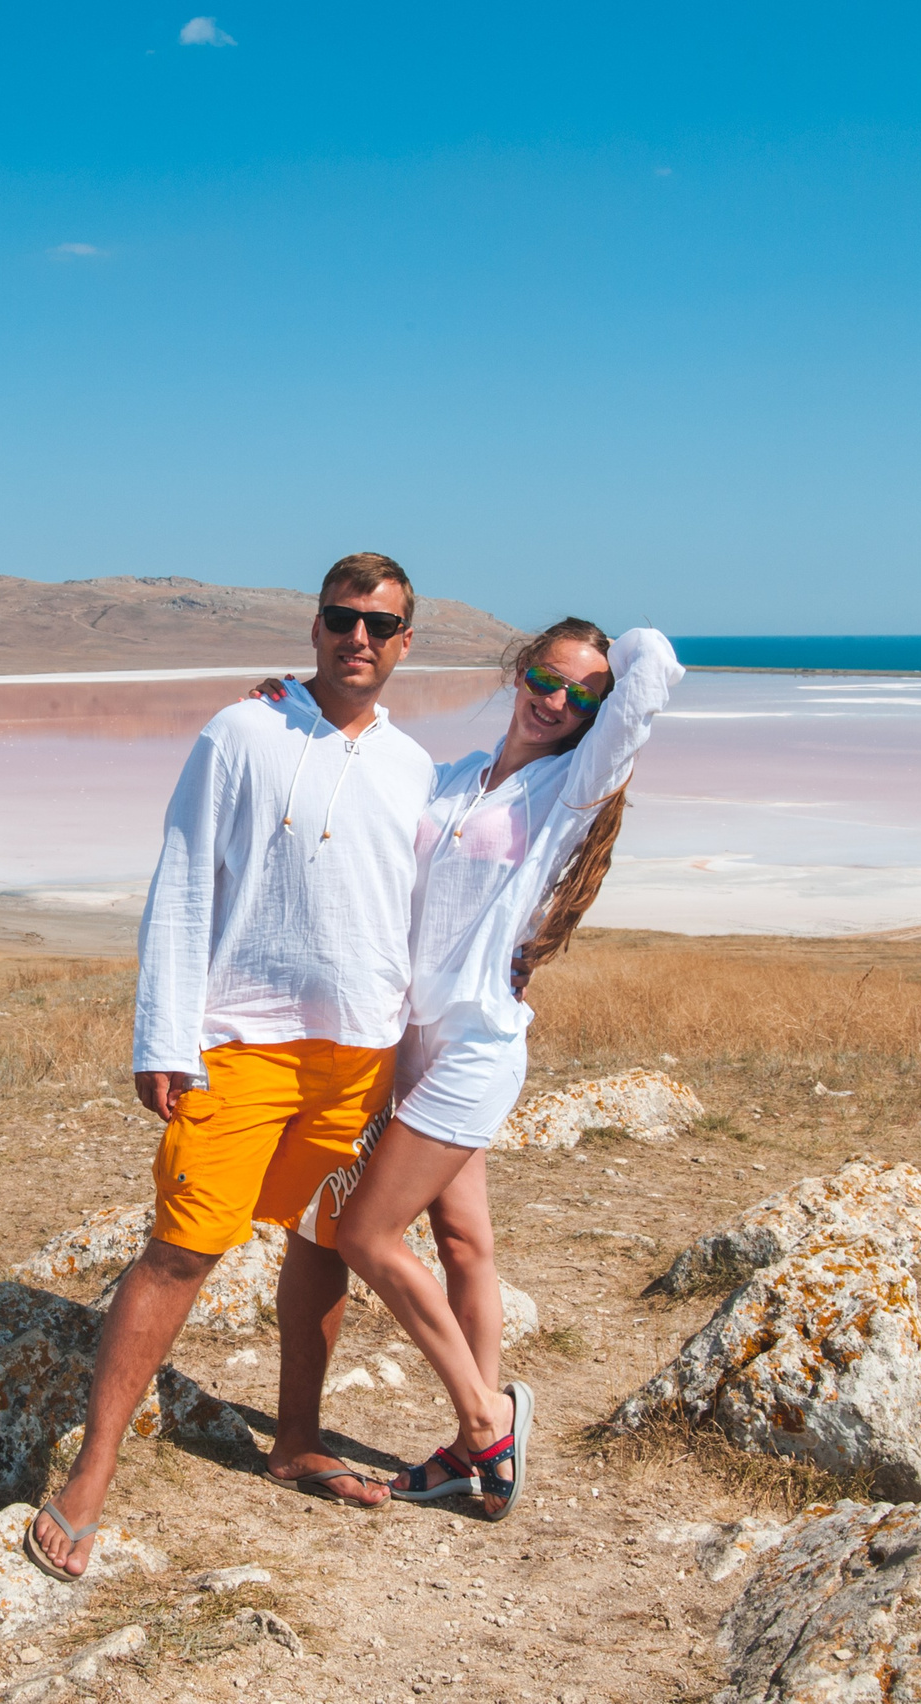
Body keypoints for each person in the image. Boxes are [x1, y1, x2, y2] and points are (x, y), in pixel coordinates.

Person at [24, 553, 439, 1580]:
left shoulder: (415, 767)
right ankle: (91, 1473)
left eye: (380, 626)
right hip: (241, 1039)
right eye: (342, 619)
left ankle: (295, 1442)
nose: (359, 640)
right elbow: (181, 875)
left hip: (360, 1053)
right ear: (313, 628)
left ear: (405, 643)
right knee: (182, 1248)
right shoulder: (243, 730)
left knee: (325, 1239)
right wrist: (161, 1033)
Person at [287, 617, 681, 1520]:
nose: (559, 701)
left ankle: (484, 1421)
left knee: (367, 1239)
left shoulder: (570, 787)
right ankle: (478, 1463)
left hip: (474, 1049)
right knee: (465, 1244)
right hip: (407, 1042)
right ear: (519, 671)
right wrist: (291, 710)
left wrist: (617, 666)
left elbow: (655, 664)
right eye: (548, 678)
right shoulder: (455, 777)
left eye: (586, 694)